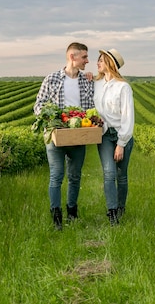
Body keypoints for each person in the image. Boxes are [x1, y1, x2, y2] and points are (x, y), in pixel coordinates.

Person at [33, 42, 95, 230]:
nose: (87, 60)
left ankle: (72, 213)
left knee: (75, 176)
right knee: (56, 176)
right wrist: (54, 119)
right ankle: (56, 216)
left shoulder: (86, 80)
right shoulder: (51, 79)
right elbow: (38, 106)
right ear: (72, 57)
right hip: (56, 135)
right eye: (84, 57)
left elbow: (94, 103)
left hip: (78, 136)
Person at [93, 48, 135, 226]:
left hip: (121, 135)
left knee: (121, 175)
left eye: (101, 60)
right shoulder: (97, 83)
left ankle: (120, 208)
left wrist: (121, 143)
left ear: (110, 63)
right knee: (109, 173)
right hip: (103, 135)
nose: (97, 63)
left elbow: (127, 117)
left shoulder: (123, 87)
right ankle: (112, 214)